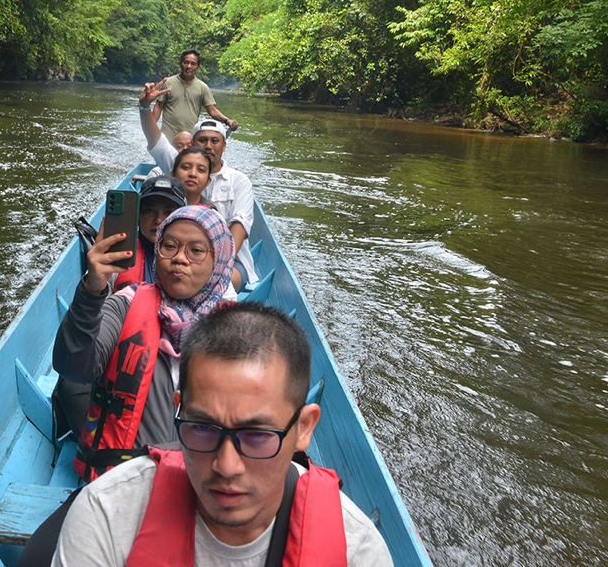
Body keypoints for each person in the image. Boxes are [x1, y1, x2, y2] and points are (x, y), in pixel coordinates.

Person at [51, 303, 394, 566]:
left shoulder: (357, 552)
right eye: (202, 428)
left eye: (257, 435)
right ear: (179, 411)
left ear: (303, 428)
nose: (226, 466)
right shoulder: (106, 514)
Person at [53, 204, 235, 482]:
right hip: (124, 480)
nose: (180, 259)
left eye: (196, 251)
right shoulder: (125, 303)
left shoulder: (232, 329)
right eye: (169, 246)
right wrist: (92, 290)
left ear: (218, 261)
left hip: (202, 485)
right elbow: (73, 367)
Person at [140, 91, 258, 290]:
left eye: (215, 141)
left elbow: (240, 225)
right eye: (202, 140)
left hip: (231, 260)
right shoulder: (182, 165)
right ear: (193, 144)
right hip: (182, 253)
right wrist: (144, 107)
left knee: (218, 284)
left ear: (224, 146)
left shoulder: (239, 181)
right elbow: (157, 142)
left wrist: (216, 266)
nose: (208, 146)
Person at [114, 174, 187, 288]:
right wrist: (93, 287)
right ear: (138, 217)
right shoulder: (118, 255)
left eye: (168, 212)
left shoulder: (195, 258)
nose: (158, 220)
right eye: (149, 211)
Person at [151, 50, 239, 143]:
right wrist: (150, 130)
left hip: (189, 140)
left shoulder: (202, 87)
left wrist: (227, 121)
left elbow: (212, 110)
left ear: (198, 67)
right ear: (180, 64)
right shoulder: (168, 83)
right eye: (186, 62)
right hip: (166, 139)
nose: (189, 66)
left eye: (193, 64)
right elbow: (158, 107)